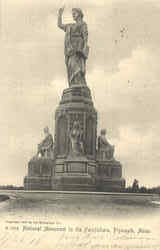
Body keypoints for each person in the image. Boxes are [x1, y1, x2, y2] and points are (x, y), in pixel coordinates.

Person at [57, 7, 89, 87]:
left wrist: (84, 47)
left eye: (74, 13)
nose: (73, 15)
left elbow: (85, 36)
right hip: (70, 50)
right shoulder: (70, 25)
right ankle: (73, 84)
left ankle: (80, 84)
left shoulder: (83, 24)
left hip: (78, 49)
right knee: (71, 65)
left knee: (78, 67)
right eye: (72, 14)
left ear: (79, 14)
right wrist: (60, 14)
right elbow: (60, 25)